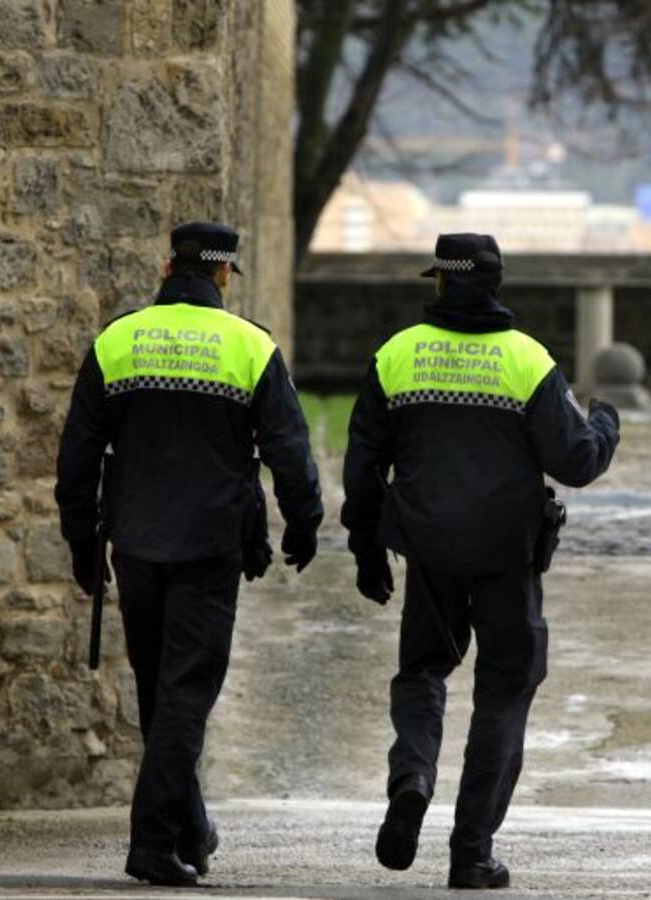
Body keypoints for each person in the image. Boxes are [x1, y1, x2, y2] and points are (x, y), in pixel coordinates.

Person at [341, 233, 620, 890]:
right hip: (506, 556)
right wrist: (607, 422)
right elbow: (575, 461)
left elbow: (361, 465)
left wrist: (365, 548)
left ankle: (412, 775)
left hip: (429, 551)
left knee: (420, 674)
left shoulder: (398, 354)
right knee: (504, 691)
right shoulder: (526, 361)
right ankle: (471, 853)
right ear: (496, 284)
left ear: (440, 282)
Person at [55, 222, 323, 886]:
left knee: (162, 691)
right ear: (224, 275)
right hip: (210, 545)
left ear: (165, 265)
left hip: (137, 543)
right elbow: (290, 448)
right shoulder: (249, 346)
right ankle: (151, 841)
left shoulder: (118, 341)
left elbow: (76, 459)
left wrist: (83, 545)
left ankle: (191, 829)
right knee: (185, 694)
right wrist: (304, 521)